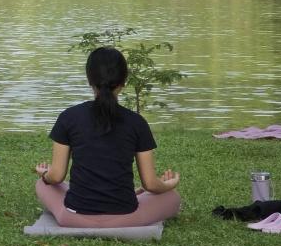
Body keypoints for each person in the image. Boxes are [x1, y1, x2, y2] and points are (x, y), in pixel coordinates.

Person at [34, 46, 181, 228]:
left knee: (41, 185)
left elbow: (55, 177)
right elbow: (151, 183)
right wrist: (169, 185)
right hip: (126, 218)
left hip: (74, 217)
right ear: (123, 81)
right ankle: (134, 195)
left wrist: (45, 175)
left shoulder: (69, 117)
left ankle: (131, 194)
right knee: (172, 198)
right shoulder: (137, 122)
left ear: (90, 80)